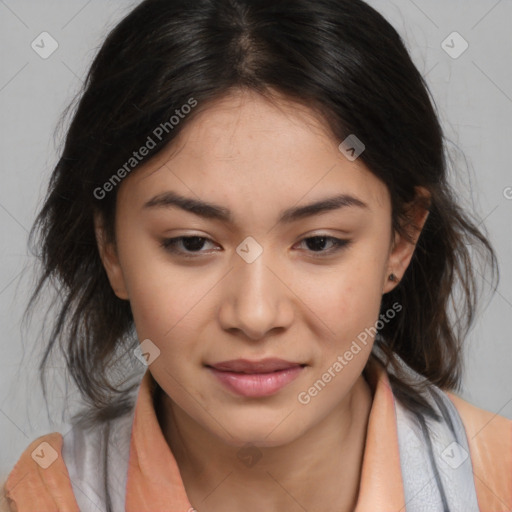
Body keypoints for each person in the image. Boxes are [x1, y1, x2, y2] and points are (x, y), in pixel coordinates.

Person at [2, 0, 511, 511]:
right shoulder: (46, 497)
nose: (255, 315)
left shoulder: (499, 482)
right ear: (111, 249)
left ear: (400, 241)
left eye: (319, 242)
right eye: (192, 242)